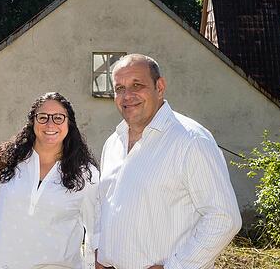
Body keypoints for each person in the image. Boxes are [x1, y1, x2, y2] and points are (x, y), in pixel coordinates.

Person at [95, 54, 242, 269]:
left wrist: (175, 267)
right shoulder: (113, 143)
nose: (127, 96)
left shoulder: (191, 140)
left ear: (160, 87)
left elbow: (224, 218)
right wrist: (99, 253)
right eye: (119, 89)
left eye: (137, 85)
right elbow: (103, 206)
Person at [0, 92, 100, 269]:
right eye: (42, 117)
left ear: (69, 123)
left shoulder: (86, 174)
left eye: (58, 118)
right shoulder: (6, 162)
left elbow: (96, 229)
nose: (50, 124)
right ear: (32, 121)